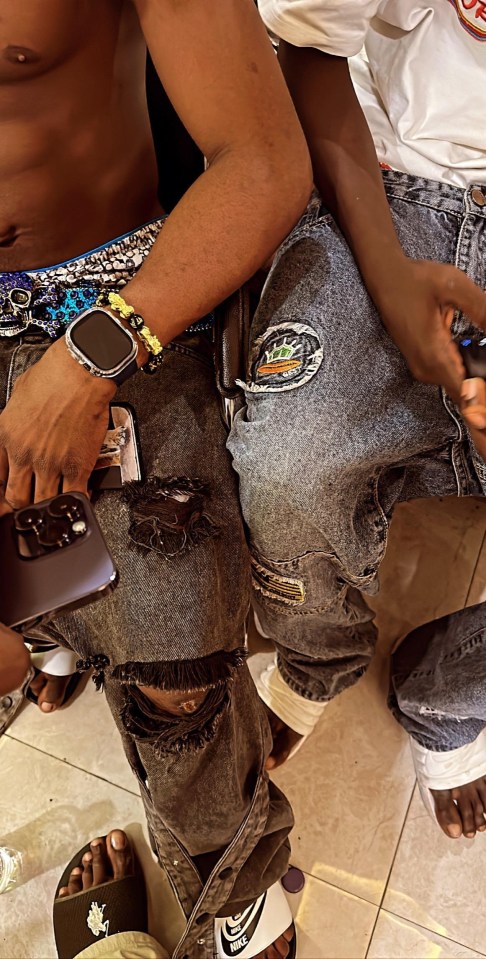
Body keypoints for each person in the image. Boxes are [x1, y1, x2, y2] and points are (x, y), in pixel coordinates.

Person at [0, 2, 312, 955]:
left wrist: (90, 356)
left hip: (107, 294)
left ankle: (243, 892)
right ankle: (55, 623)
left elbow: (263, 162)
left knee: (178, 662)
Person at [228, 0, 486, 840]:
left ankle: (452, 690)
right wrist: (391, 277)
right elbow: (307, 52)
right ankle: (319, 650)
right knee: (287, 461)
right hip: (387, 186)